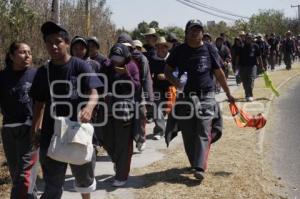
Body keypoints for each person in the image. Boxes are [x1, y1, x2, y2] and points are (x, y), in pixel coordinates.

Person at [30, 21, 103, 199]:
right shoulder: (43, 72)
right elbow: (39, 104)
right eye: (49, 42)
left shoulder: (80, 66)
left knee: (84, 181)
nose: (53, 46)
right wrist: (34, 130)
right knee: (52, 185)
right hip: (51, 134)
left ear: (67, 43)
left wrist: (89, 106)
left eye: (58, 41)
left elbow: (95, 91)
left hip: (78, 131)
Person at [165, 19, 235, 181]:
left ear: (202, 33)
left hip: (206, 96)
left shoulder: (210, 49)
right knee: (189, 133)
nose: (195, 32)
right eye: (192, 30)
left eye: (198, 30)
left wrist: (228, 93)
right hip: (185, 98)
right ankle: (194, 162)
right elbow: (167, 70)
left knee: (203, 129)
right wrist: (176, 83)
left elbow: (219, 73)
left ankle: (199, 166)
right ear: (186, 33)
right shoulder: (179, 51)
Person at [0, 42, 38, 199]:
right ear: (11, 56)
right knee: (17, 175)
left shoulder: (36, 75)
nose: (27, 55)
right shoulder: (2, 77)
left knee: (24, 176)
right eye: (22, 52)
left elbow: (43, 104)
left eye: (29, 52)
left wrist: (38, 128)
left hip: (29, 129)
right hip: (9, 130)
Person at [100, 43, 140, 187]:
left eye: (119, 58)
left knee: (123, 143)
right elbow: (101, 81)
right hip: (108, 108)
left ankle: (121, 175)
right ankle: (118, 163)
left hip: (125, 109)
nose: (116, 61)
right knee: (107, 140)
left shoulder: (132, 66)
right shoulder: (107, 65)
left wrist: (125, 74)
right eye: (114, 58)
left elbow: (136, 86)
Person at [117, 33, 154, 151]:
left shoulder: (141, 59)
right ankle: (125, 143)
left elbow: (147, 79)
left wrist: (149, 99)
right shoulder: (115, 57)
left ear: (131, 46)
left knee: (141, 115)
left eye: (126, 46)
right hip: (122, 93)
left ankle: (141, 139)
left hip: (139, 91)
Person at [149, 36, 171, 140]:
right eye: (159, 47)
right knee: (156, 106)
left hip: (171, 88)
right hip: (157, 88)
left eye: (163, 47)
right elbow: (148, 74)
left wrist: (166, 77)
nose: (161, 50)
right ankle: (159, 130)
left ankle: (173, 128)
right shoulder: (152, 60)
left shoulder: (173, 58)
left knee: (172, 110)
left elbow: (179, 73)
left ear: (167, 48)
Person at [235, 33, 264, 102]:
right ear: (245, 38)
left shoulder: (255, 46)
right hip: (243, 67)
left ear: (252, 38)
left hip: (252, 66)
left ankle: (250, 95)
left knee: (250, 80)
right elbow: (237, 57)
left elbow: (259, 57)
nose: (248, 39)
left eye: (250, 38)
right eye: (247, 37)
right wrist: (236, 67)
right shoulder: (241, 46)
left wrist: (262, 66)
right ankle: (247, 94)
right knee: (245, 82)